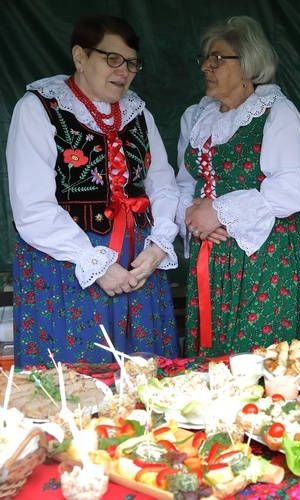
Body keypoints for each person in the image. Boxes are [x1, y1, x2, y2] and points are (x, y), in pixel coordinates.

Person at [6, 14, 180, 366]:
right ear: (80, 57)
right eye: (112, 58)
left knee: (143, 374)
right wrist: (94, 264)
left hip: (137, 263)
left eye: (131, 62)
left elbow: (162, 182)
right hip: (66, 265)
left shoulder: (137, 113)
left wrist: (160, 244)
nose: (124, 71)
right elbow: (32, 204)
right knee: (74, 377)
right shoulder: (39, 108)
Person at [177, 16, 300, 356]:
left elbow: (292, 188)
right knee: (213, 362)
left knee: (262, 359)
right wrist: (195, 219)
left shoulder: (275, 113)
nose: (206, 67)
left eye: (218, 59)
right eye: (205, 59)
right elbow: (185, 181)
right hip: (211, 255)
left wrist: (220, 210)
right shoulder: (195, 117)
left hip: (263, 258)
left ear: (248, 64)